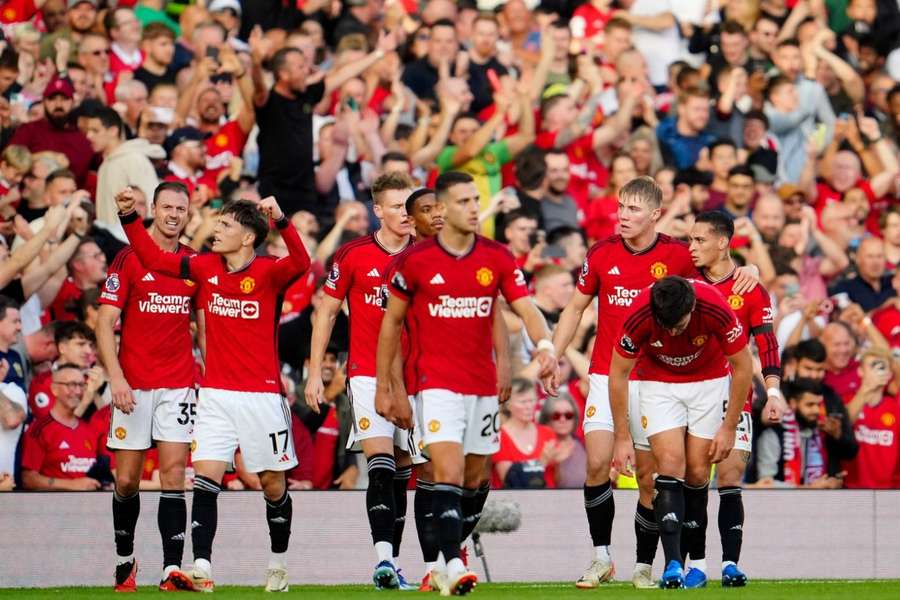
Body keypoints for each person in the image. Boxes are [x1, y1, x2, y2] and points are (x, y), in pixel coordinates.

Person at [550, 176, 756, 589]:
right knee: (596, 464)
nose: (622, 216)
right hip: (609, 371)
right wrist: (554, 354)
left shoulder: (679, 255)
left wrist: (747, 269)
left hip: (651, 377)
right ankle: (601, 557)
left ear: (655, 215)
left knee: (649, 478)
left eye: (633, 209)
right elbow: (574, 307)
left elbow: (719, 271)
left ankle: (648, 564)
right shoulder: (601, 253)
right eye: (620, 207)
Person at [114, 186, 311, 593]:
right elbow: (153, 258)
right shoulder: (203, 266)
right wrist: (129, 218)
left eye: (224, 225)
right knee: (206, 479)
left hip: (263, 397)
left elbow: (303, 262)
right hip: (216, 395)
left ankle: (277, 563)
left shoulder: (270, 271)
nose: (214, 230)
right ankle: (201, 565)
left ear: (248, 237)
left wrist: (282, 220)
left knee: (273, 485)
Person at [376, 171, 557, 596]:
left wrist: (546, 346)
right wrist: (389, 387)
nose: (475, 208)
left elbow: (525, 308)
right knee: (448, 471)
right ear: (442, 208)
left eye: (477, 200)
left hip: (481, 385)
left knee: (476, 478)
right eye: (464, 201)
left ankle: (446, 555)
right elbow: (391, 326)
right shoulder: (415, 262)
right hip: (434, 384)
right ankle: (449, 565)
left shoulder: (495, 257)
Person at [304, 172, 419, 591]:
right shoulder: (353, 255)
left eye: (410, 205)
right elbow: (327, 312)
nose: (405, 214)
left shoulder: (426, 254)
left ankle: (398, 561)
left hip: (417, 379)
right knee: (381, 466)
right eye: (396, 206)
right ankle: (383, 561)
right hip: (368, 374)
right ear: (378, 211)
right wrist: (315, 371)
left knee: (407, 470)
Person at [610, 276, 753, 589]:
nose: (673, 331)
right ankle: (673, 564)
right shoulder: (640, 313)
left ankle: (698, 566)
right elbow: (618, 373)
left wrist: (730, 426)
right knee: (671, 463)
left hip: (709, 382)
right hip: (658, 384)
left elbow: (743, 366)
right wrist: (621, 437)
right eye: (667, 325)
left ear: (692, 306)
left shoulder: (714, 306)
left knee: (699, 471)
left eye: (680, 323)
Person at [97, 182, 200, 592]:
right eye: (168, 207)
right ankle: (126, 561)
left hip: (178, 384)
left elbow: (204, 322)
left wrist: (209, 371)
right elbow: (104, 322)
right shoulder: (128, 258)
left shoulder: (194, 262)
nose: (174, 214)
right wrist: (116, 377)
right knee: (126, 481)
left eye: (182, 208)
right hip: (133, 386)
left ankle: (171, 569)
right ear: (154, 209)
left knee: (174, 475)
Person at [686, 211, 785, 587]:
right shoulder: (685, 283)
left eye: (699, 240)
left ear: (723, 242)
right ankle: (695, 563)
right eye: (690, 240)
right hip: (690, 391)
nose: (691, 247)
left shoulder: (750, 289)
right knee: (693, 478)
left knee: (729, 477)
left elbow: (767, 342)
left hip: (734, 392)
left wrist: (772, 392)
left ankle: (730, 564)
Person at [21, 363, 102, 491]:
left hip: (88, 507)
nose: (77, 391)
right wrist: (72, 485)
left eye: (81, 385)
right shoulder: (39, 429)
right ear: (54, 389)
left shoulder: (89, 430)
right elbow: (28, 479)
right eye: (70, 385)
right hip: (54, 507)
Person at [843, 347, 900, 489]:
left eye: (882, 367)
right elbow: (843, 427)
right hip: (851, 489)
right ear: (860, 371)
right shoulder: (847, 400)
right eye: (873, 366)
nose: (878, 371)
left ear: (889, 375)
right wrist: (865, 390)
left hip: (888, 491)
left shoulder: (896, 408)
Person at [493, 378, 563, 489]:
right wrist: (540, 463)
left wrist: (560, 462)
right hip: (515, 501)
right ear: (508, 405)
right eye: (523, 402)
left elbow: (556, 479)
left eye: (531, 400)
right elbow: (508, 479)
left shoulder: (547, 433)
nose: (528, 406)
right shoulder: (500, 437)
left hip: (549, 499)